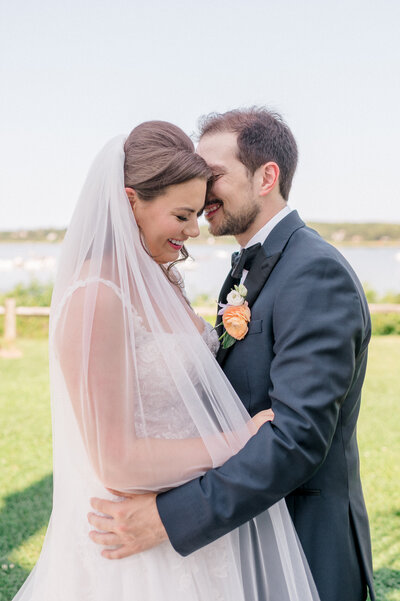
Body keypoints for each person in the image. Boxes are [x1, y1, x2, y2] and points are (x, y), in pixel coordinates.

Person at [12, 121, 321, 601]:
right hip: (134, 545)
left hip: (191, 526)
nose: (195, 231)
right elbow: (117, 460)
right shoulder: (97, 296)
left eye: (197, 213)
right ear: (131, 201)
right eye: (182, 216)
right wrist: (239, 439)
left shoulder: (165, 280)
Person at [89, 109, 376, 601]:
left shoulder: (313, 273)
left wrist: (167, 518)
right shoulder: (249, 268)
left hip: (306, 546)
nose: (200, 190)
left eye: (213, 175)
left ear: (267, 177)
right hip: (247, 537)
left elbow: (296, 439)